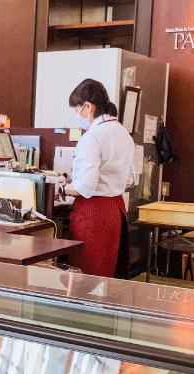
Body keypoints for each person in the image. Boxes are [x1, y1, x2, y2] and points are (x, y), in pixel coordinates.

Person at [59, 78, 136, 278]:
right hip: (117, 213)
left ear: (88, 107)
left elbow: (85, 187)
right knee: (110, 277)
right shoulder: (124, 134)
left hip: (94, 215)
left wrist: (62, 189)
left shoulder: (92, 137)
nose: (77, 115)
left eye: (77, 110)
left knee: (86, 278)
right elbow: (130, 179)